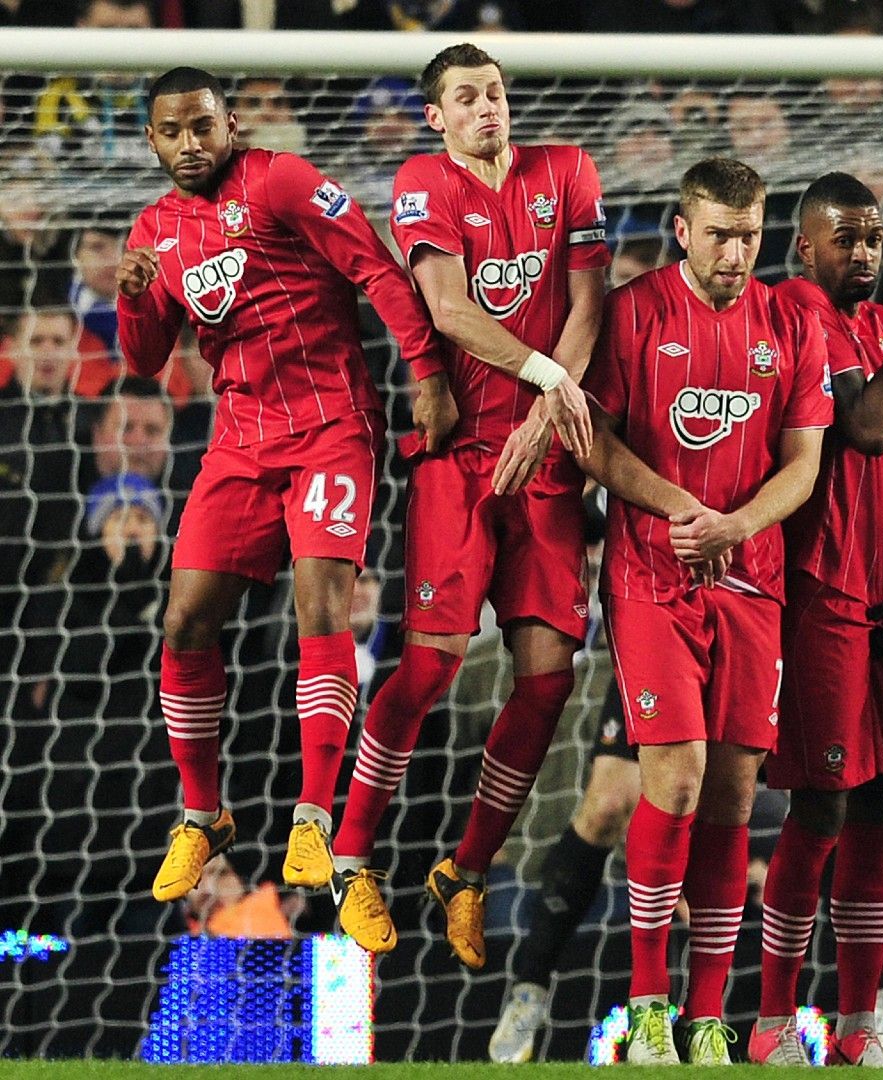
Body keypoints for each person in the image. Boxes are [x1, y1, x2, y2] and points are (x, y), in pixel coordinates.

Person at [114, 66, 439, 906]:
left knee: (320, 607)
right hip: (239, 440)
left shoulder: (282, 180)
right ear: (152, 140)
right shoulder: (154, 230)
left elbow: (377, 271)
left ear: (230, 124)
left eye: (203, 126)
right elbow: (145, 360)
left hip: (331, 425)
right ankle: (202, 814)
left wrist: (428, 372)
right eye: (172, 131)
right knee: (185, 621)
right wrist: (135, 300)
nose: (190, 144)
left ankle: (313, 816)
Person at [327, 42, 607, 971]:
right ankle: (351, 855)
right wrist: (547, 382)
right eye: (465, 97)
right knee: (431, 666)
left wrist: (548, 407)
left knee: (549, 681)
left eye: (494, 92)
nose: (486, 107)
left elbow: (590, 304)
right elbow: (447, 309)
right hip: (460, 461)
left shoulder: (567, 171)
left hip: (547, 456)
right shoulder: (423, 182)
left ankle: (467, 870)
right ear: (434, 116)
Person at [586, 157, 830, 1066]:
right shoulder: (634, 312)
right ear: (683, 231)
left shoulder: (789, 323)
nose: (736, 252)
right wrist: (683, 512)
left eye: (750, 235)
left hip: (753, 580)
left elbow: (803, 464)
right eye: (720, 234)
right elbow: (594, 442)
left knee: (733, 794)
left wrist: (737, 524)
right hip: (652, 576)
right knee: (678, 778)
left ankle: (707, 1016)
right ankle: (648, 1003)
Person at [748, 172, 883, 1066]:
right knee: (821, 803)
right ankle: (773, 1024)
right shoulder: (799, 312)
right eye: (847, 239)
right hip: (824, 590)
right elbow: (864, 428)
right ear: (806, 246)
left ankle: (861, 1026)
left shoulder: (877, 327)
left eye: (874, 239)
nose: (864, 253)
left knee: (877, 805)